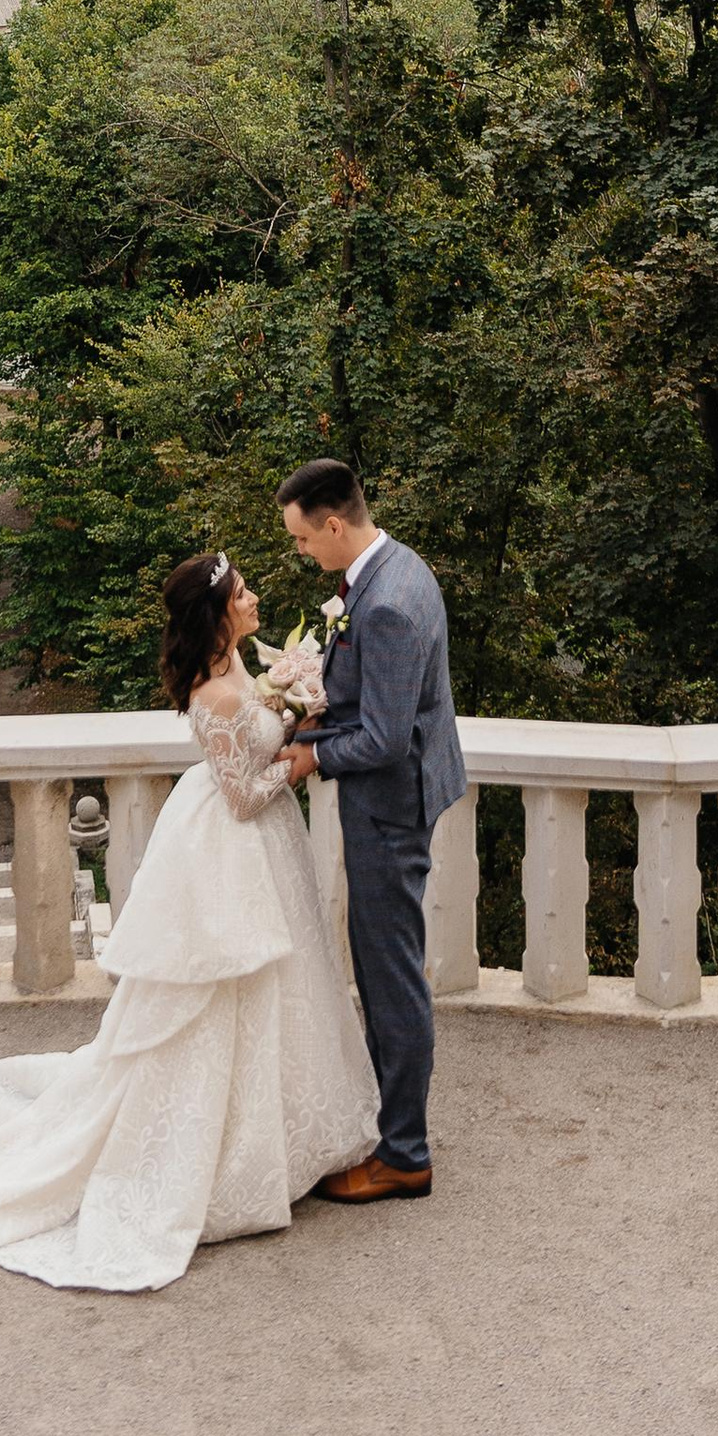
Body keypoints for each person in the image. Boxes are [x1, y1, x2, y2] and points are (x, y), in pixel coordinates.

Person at [0, 548, 380, 1291]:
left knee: (281, 984)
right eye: (245, 591)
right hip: (232, 844)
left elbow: (261, 751)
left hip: (265, 848)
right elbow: (243, 796)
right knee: (227, 988)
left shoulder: (241, 670)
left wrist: (296, 710)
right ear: (221, 608)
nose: (255, 597)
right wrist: (304, 762)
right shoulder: (216, 696)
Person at [277, 456, 465, 1202]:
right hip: (401, 793)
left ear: (333, 524)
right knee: (388, 965)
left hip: (390, 807)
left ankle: (404, 1154)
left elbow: (384, 742)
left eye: (301, 539)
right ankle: (395, 1132)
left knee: (389, 977)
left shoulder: (385, 603)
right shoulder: (398, 567)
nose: (301, 553)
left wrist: (309, 757)